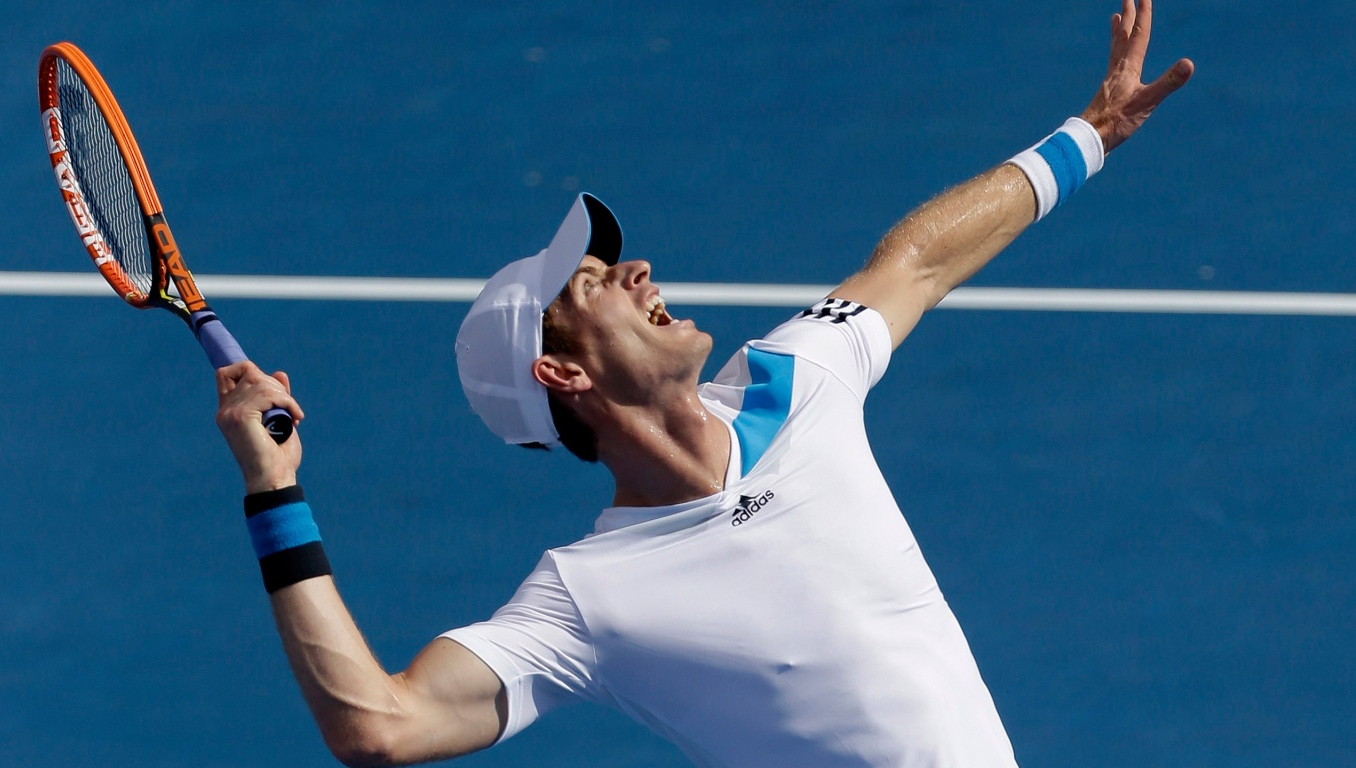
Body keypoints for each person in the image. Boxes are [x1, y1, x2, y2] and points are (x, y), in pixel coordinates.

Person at [215, 2, 1192, 765]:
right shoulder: (585, 600)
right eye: (596, 282)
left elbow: (915, 263)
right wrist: (273, 490)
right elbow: (378, 726)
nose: (638, 271)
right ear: (560, 372)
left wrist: (1088, 135)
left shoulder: (794, 379)